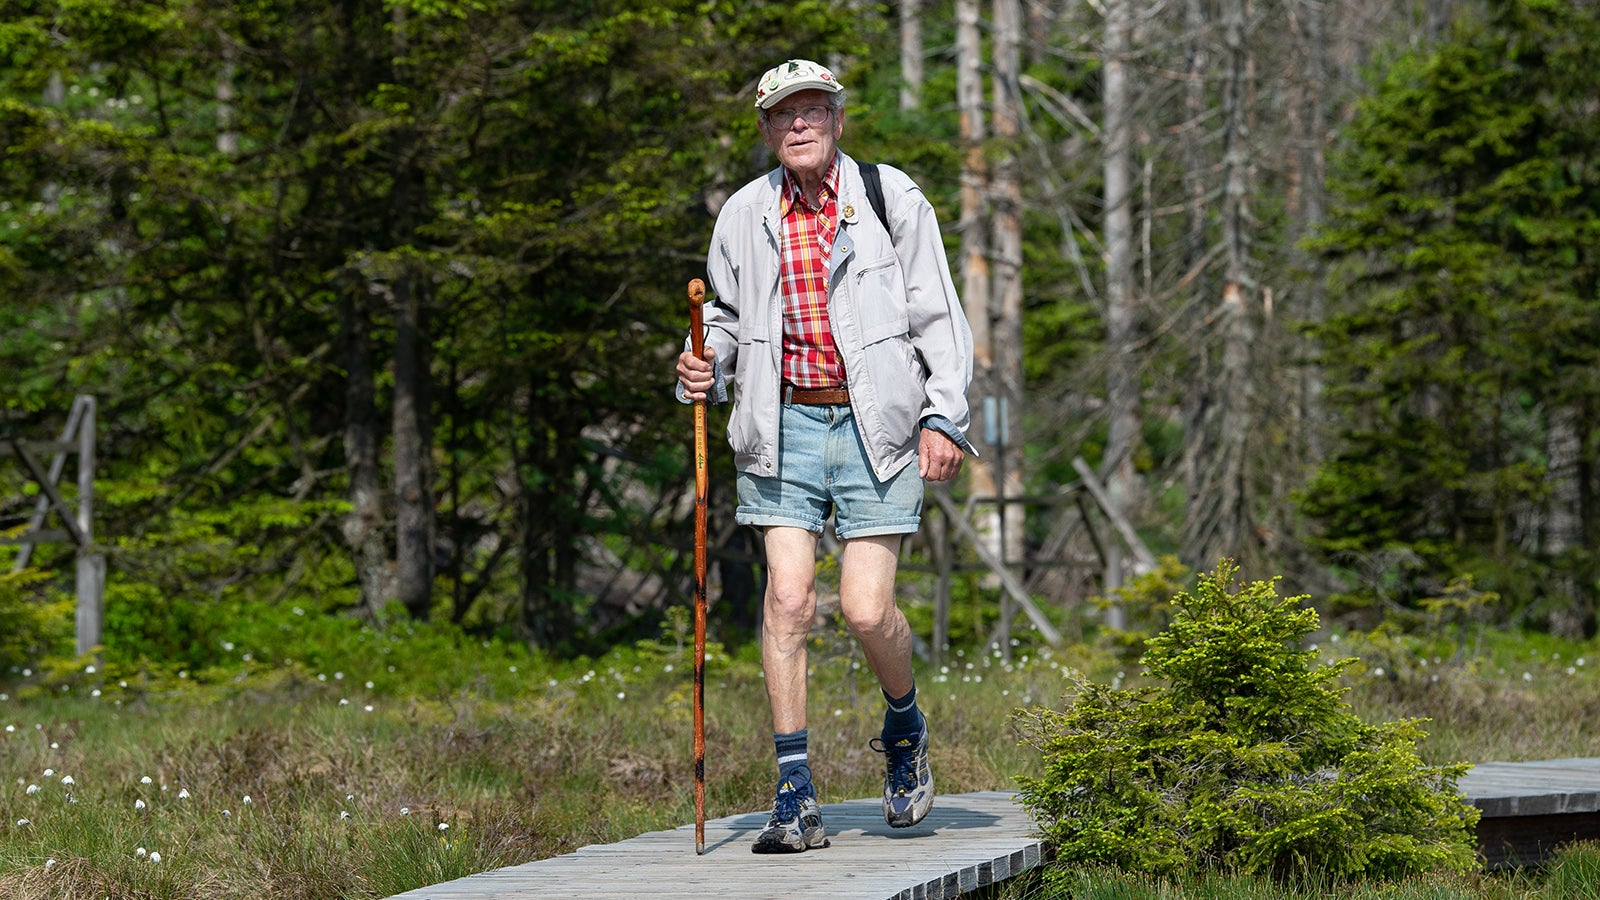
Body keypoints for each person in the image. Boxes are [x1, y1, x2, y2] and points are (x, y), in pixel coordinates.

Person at [676, 58, 975, 854]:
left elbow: (937, 313)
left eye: (813, 111)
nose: (799, 124)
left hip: (878, 427)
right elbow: (729, 321)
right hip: (783, 429)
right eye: (784, 114)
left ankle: (905, 729)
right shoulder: (745, 213)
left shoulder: (889, 197)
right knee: (787, 602)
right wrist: (701, 363)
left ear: (837, 121)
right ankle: (794, 792)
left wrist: (944, 416)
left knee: (868, 609)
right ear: (768, 129)